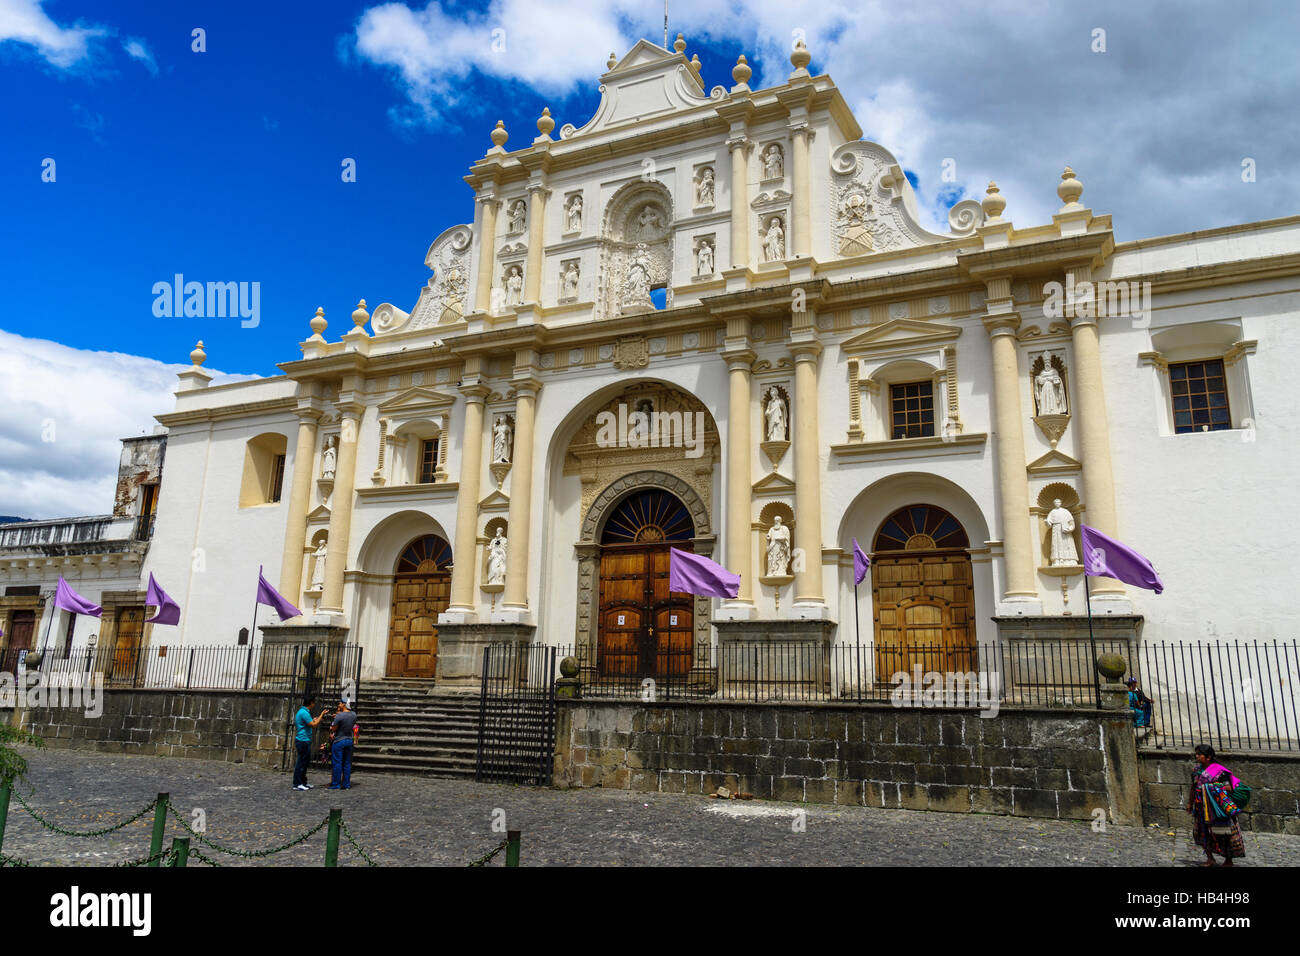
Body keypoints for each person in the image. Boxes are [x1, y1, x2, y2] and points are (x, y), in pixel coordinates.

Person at [1184, 744, 1245, 866]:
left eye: (1199, 754)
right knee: (1202, 832)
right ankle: (1210, 858)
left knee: (1224, 833)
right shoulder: (1197, 771)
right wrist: (1190, 803)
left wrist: (1208, 787)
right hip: (1202, 807)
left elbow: (1228, 787)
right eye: (1196, 754)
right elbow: (1193, 787)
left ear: (1208, 757)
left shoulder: (1220, 772)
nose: (1196, 756)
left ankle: (1229, 860)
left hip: (1218, 808)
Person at [292, 694, 330, 791]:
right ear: (311, 703)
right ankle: (297, 783)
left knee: (304, 762)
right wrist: (321, 715)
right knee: (301, 762)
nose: (314, 704)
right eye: (314, 702)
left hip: (304, 740)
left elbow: (309, 722)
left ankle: (303, 782)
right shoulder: (304, 713)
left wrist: (315, 719)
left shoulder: (304, 712)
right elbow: (313, 725)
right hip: (302, 740)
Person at [328, 699, 359, 790]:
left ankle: (336, 784)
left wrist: (332, 726)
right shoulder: (354, 715)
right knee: (347, 763)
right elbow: (353, 725)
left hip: (339, 740)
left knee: (337, 763)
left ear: (344, 704)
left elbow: (333, 729)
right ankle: (346, 784)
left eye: (340, 703)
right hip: (349, 739)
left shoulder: (340, 716)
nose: (339, 705)